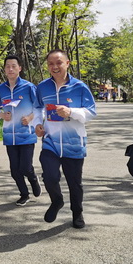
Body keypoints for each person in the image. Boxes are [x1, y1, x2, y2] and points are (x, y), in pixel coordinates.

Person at [34, 49, 96, 229]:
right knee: (49, 176)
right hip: (50, 142)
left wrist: (72, 112)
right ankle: (57, 200)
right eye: (50, 64)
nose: (54, 67)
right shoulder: (42, 87)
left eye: (58, 63)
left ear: (67, 63)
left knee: (74, 182)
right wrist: (37, 124)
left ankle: (77, 212)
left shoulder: (80, 87)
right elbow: (38, 108)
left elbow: (91, 111)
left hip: (74, 143)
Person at [0, 55, 41, 206]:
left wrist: (31, 117)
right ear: (4, 69)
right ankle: (24, 194)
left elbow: (40, 107)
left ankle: (33, 178)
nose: (10, 69)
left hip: (26, 134)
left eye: (14, 66)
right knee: (14, 170)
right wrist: (1, 115)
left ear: (20, 68)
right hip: (9, 136)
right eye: (7, 66)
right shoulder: (1, 89)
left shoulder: (29, 87)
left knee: (25, 167)